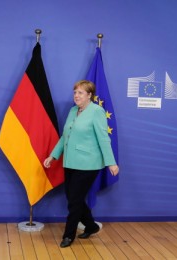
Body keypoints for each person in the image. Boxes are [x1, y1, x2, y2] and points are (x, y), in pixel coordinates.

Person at [43, 80, 119, 248]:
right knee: (72, 198)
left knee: (75, 200)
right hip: (70, 162)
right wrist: (53, 156)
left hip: (88, 164)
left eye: (80, 93)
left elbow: (103, 138)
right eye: (75, 92)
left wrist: (111, 163)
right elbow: (65, 137)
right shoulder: (72, 111)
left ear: (89, 95)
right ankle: (91, 226)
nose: (76, 96)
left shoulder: (97, 112)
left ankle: (69, 235)